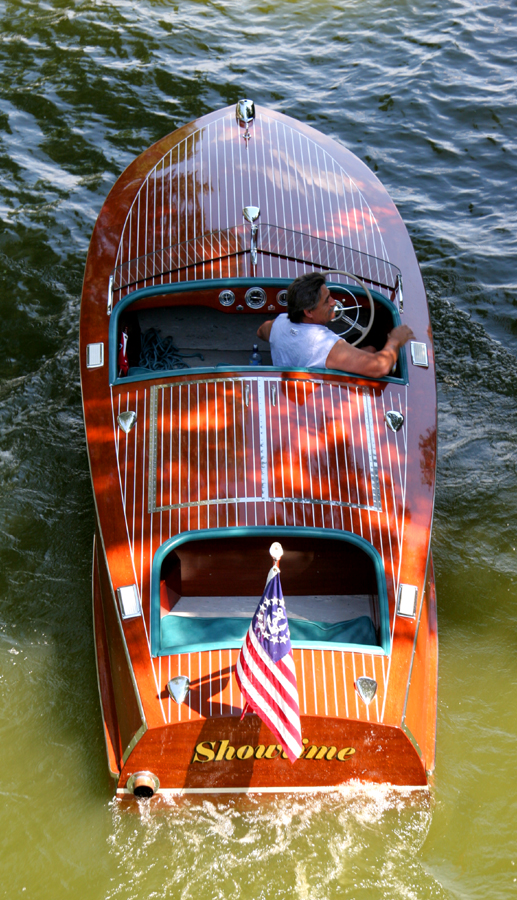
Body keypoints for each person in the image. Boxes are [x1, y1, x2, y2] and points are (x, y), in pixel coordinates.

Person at [256, 272, 414, 378]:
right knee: (372, 347)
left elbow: (261, 331)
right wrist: (394, 341)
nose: (334, 302)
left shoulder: (280, 322)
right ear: (308, 312)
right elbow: (381, 367)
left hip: (291, 380)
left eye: (330, 296)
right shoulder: (325, 345)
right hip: (320, 390)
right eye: (327, 301)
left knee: (365, 347)